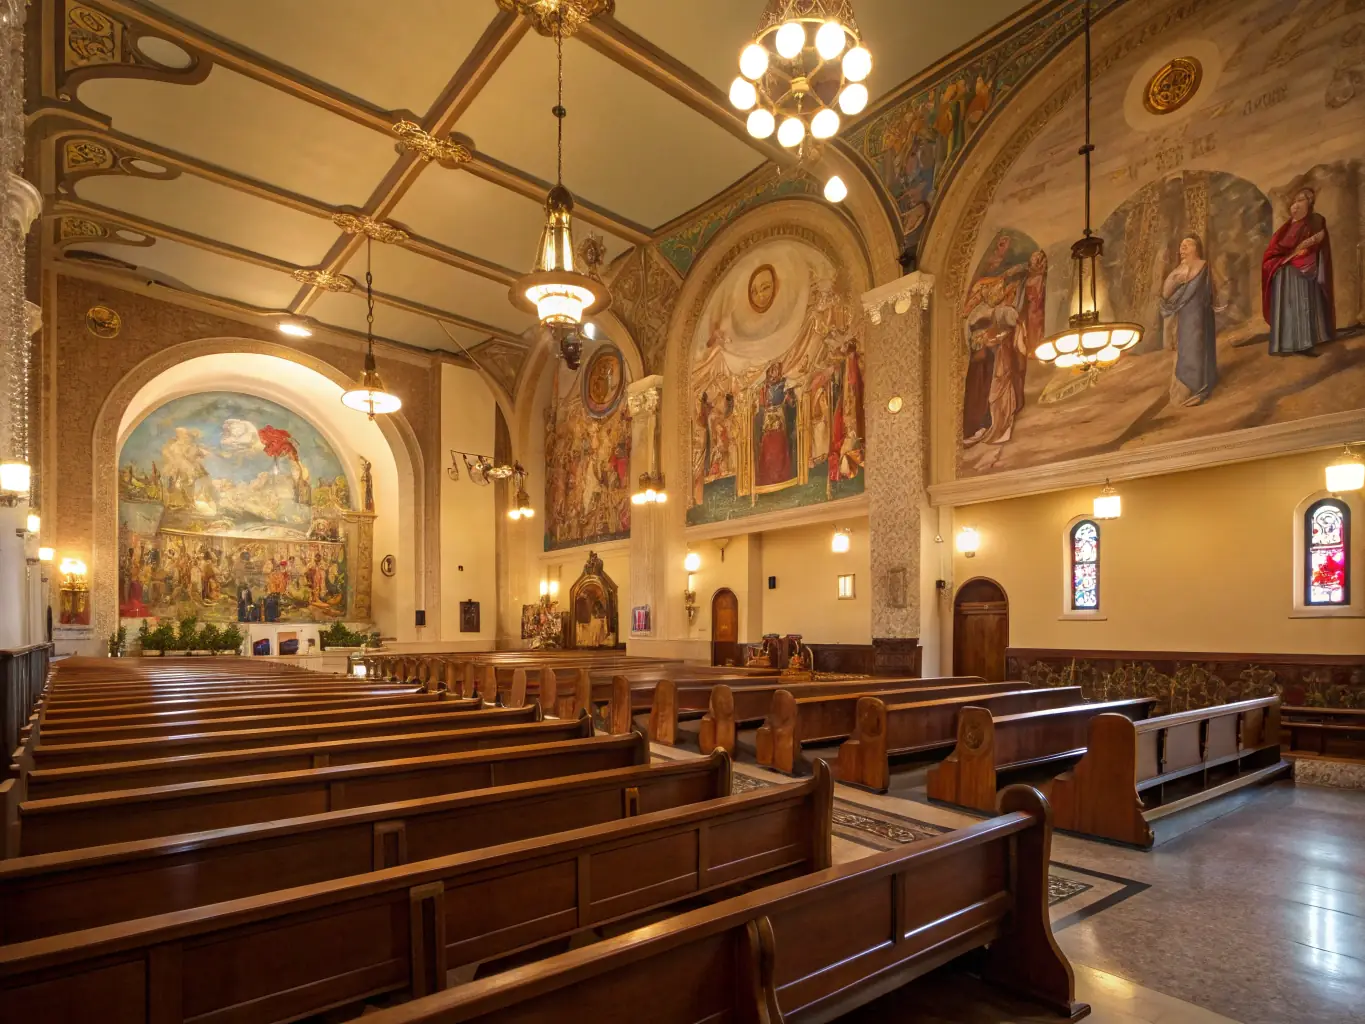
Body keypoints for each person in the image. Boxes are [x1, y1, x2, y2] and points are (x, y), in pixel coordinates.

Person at [1263, 187, 1335, 357]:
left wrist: (1304, 252)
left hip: (1303, 272)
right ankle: (1284, 344)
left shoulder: (1315, 221)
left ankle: (1305, 343)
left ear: (1309, 204)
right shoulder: (1285, 228)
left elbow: (1318, 243)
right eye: (1294, 201)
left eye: (1301, 200)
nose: (1295, 205)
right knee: (1287, 308)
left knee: (1302, 305)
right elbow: (1274, 250)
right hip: (1283, 272)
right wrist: (1279, 261)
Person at [1161, 234, 1219, 406]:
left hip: (1200, 314)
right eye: (1181, 246)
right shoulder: (1178, 270)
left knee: (1199, 346)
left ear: (1197, 248)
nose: (1183, 248)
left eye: (1188, 244)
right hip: (1184, 317)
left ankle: (1200, 389)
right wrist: (1174, 280)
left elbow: (1215, 289)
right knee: (1186, 349)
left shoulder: (1204, 266)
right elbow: (1166, 296)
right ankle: (1186, 388)